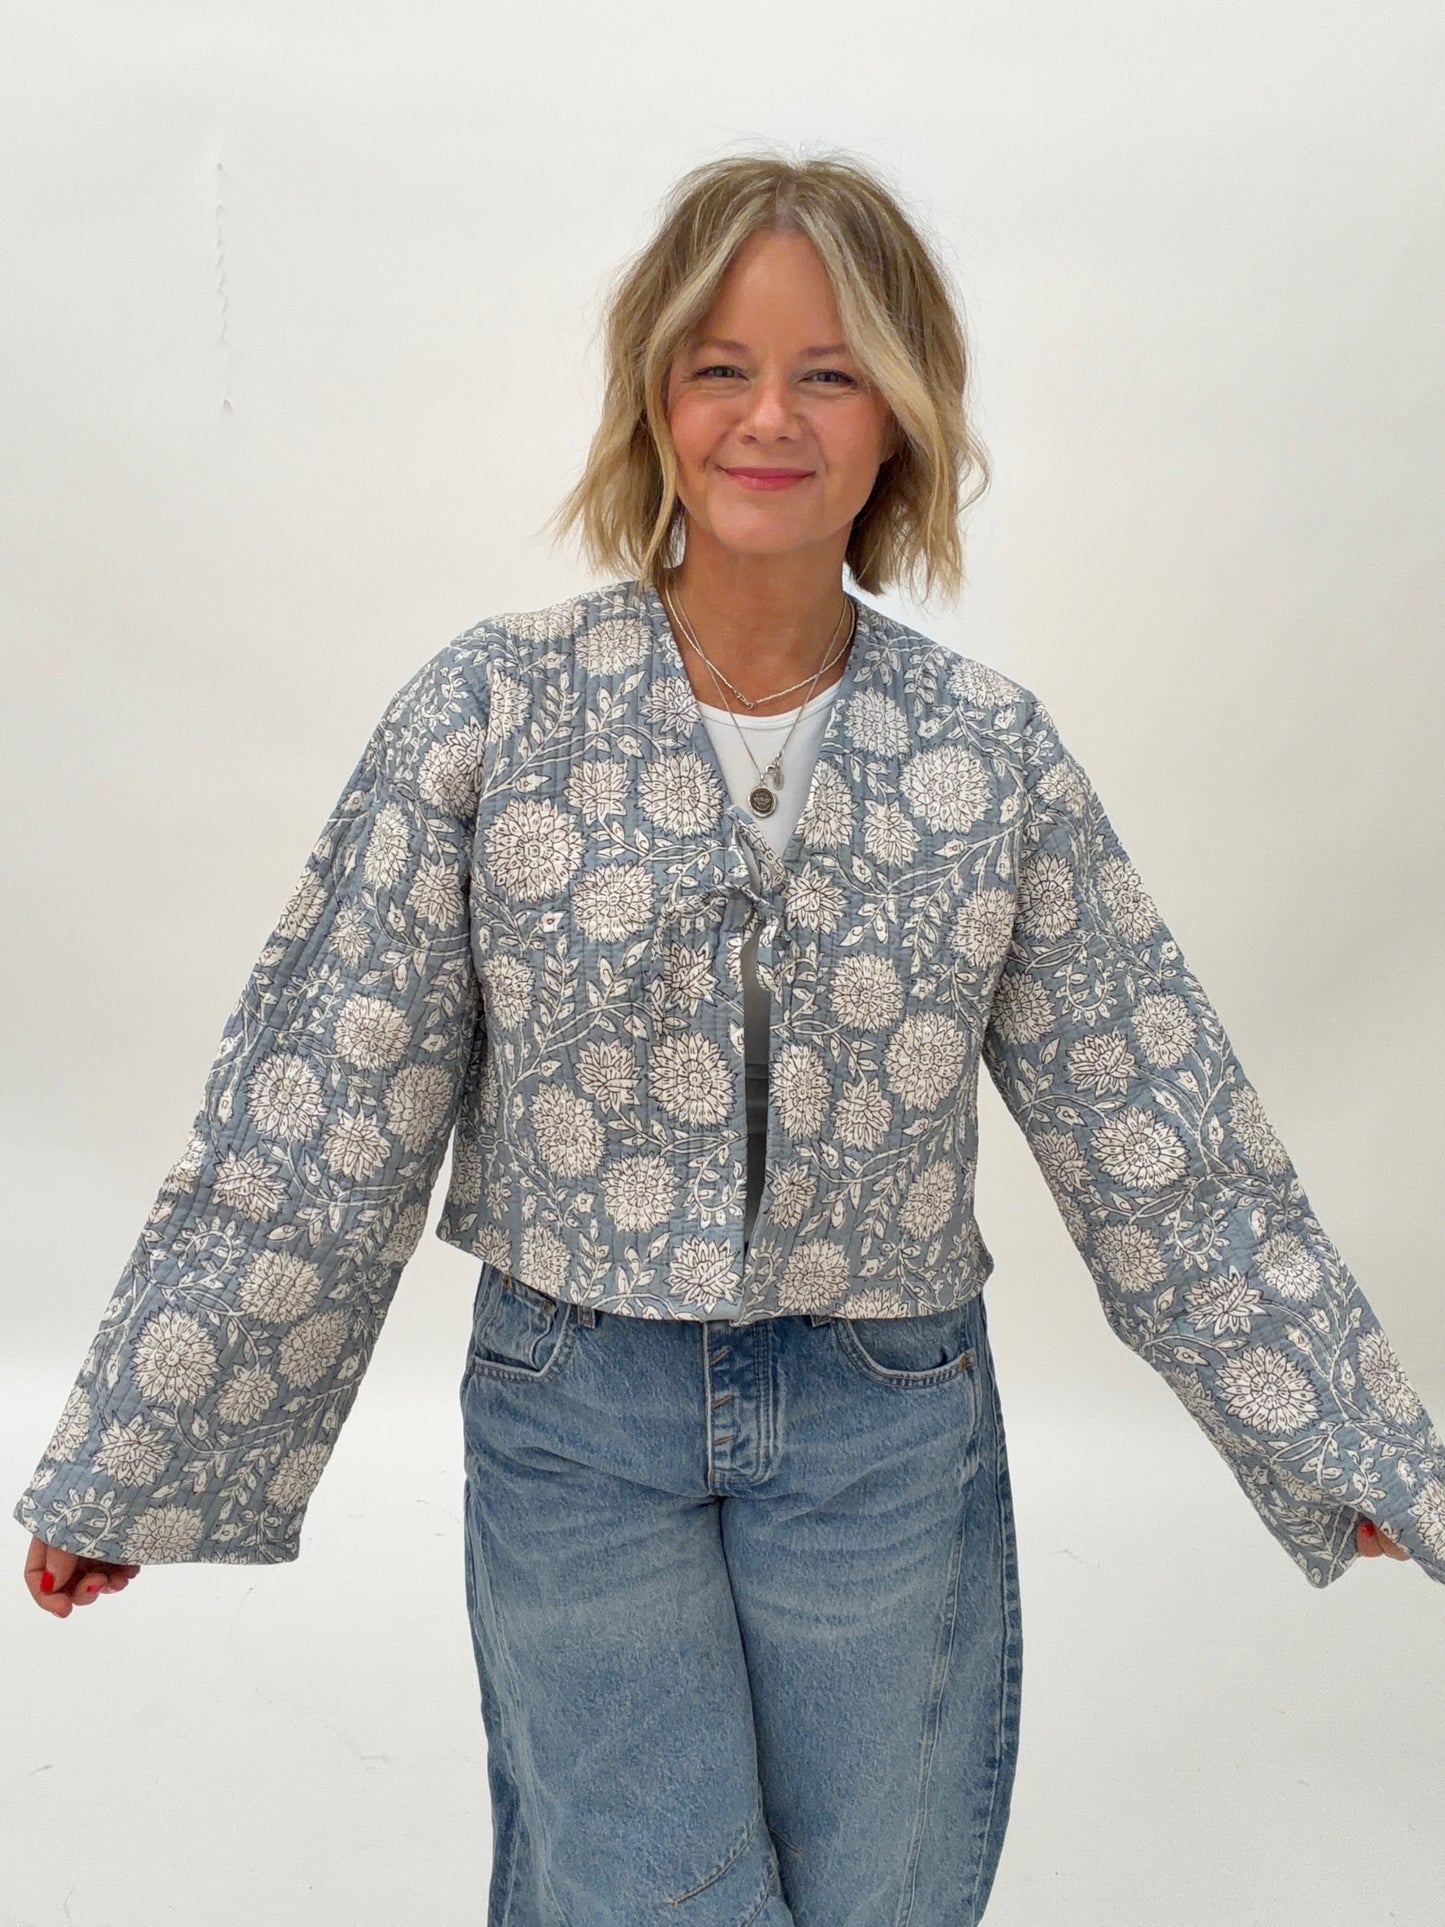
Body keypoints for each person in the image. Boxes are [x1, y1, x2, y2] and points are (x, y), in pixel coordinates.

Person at [16, 147, 1440, 1925]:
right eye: (721, 367)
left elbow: (1162, 1136)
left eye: (829, 371)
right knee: (642, 1899)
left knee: (877, 1894)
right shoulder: (491, 710)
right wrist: (137, 1456)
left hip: (884, 1420)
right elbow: (319, 1120)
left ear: (900, 416)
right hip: (574, 1407)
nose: (771, 417)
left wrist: (1343, 1439)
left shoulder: (986, 756)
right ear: (653, 401)